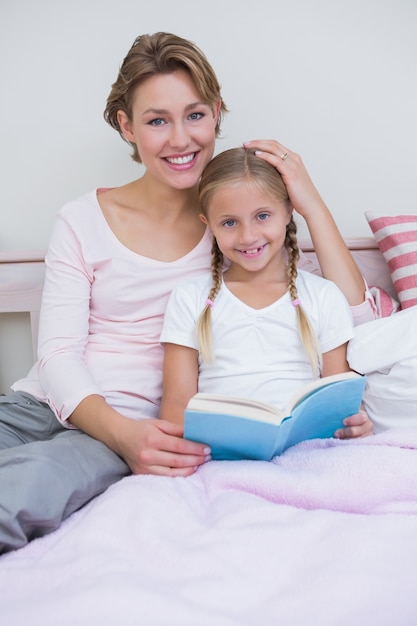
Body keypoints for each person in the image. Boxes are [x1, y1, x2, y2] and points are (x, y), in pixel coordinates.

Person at [0, 32, 374, 554]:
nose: (181, 139)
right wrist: (118, 431)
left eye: (195, 115)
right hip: (42, 404)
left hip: (124, 427)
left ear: (217, 113)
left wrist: (310, 202)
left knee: (20, 489)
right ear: (126, 126)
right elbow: (58, 352)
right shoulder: (81, 219)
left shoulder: (237, 225)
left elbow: (351, 314)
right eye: (157, 121)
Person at [159, 147, 371, 432]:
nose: (248, 236)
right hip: (217, 453)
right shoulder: (189, 298)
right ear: (208, 225)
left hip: (308, 449)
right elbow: (175, 407)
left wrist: (354, 426)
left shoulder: (323, 296)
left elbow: (339, 403)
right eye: (229, 222)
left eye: (262, 216)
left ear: (288, 211)